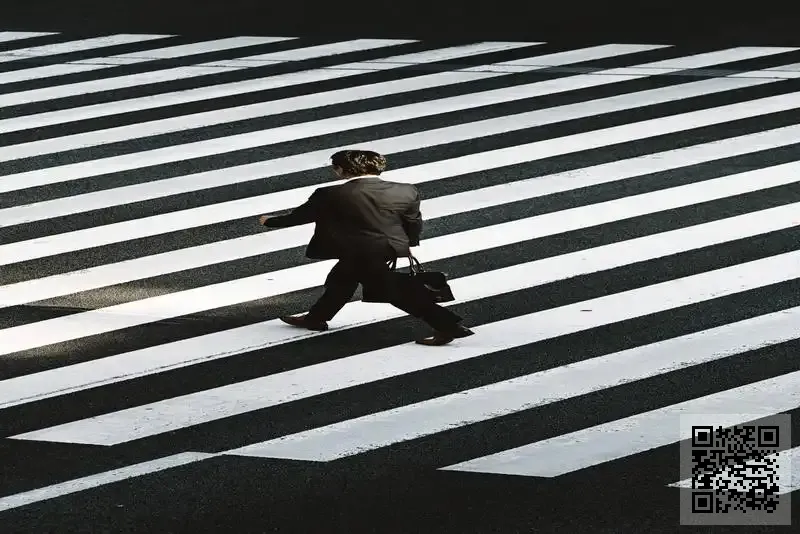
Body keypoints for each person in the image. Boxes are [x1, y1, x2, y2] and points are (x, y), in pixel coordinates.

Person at [258, 149, 474, 346]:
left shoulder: (329, 194)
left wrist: (269, 221)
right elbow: (413, 221)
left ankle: (448, 325)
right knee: (341, 280)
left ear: (341, 170)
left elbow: (300, 217)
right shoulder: (405, 190)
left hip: (357, 250)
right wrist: (407, 243)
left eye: (335, 168)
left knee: (391, 291)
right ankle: (316, 318)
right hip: (388, 247)